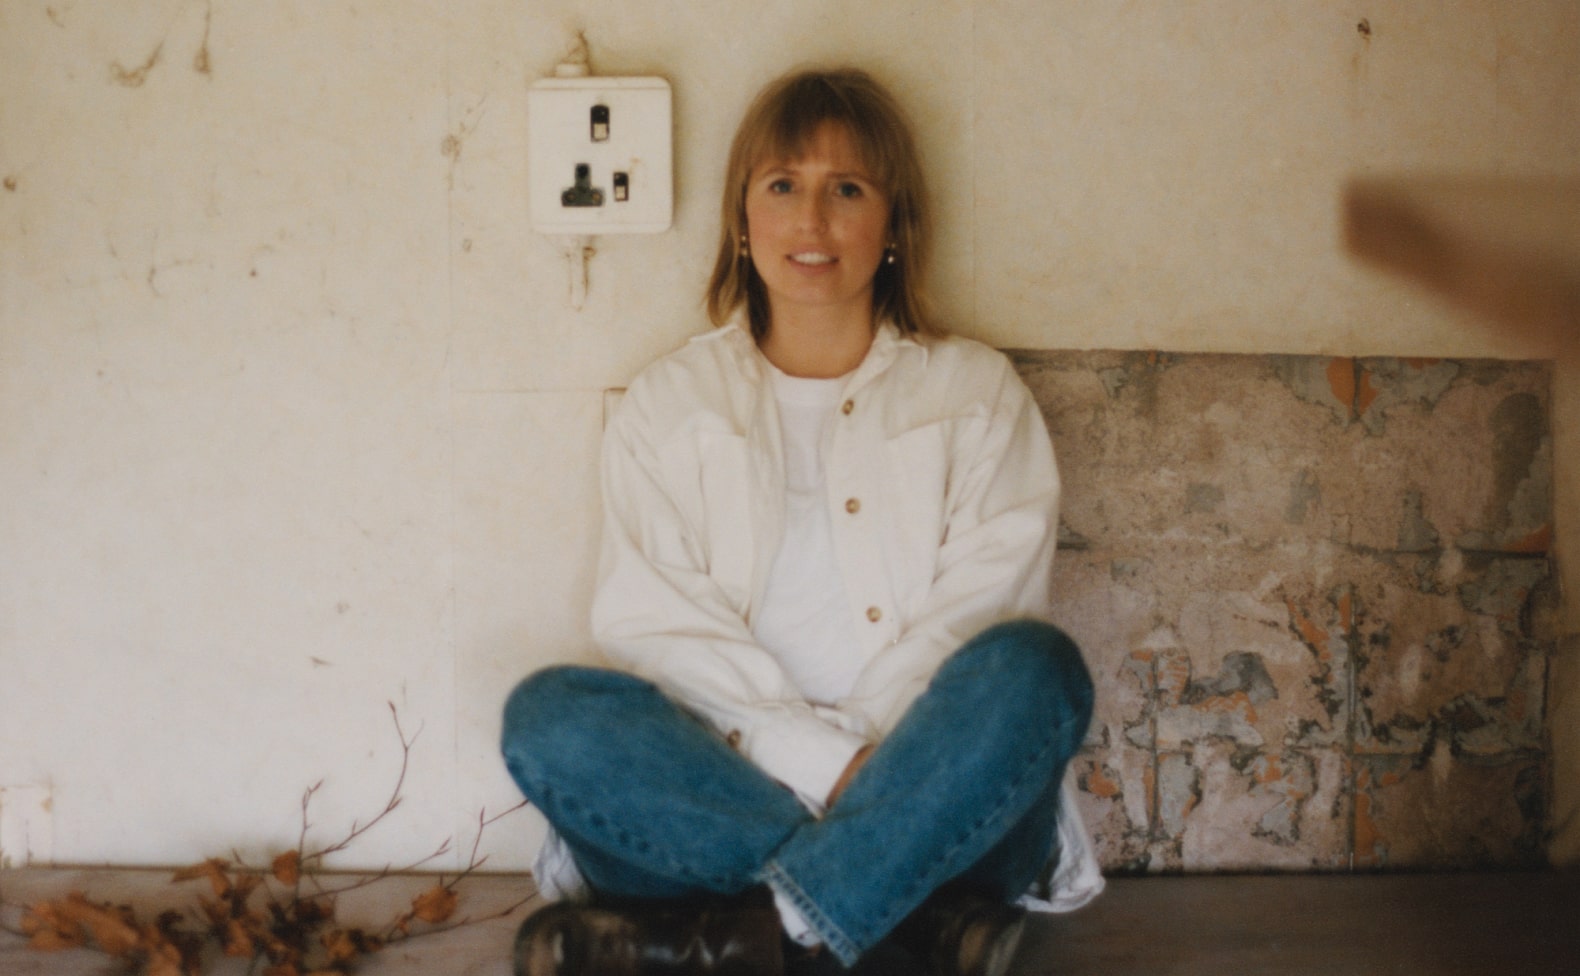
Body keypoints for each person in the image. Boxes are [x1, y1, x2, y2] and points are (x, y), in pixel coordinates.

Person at [501, 66, 1101, 976]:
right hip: (717, 800)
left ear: (893, 223)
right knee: (552, 717)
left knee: (1035, 671)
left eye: (847, 189)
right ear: (743, 220)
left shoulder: (975, 395)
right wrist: (820, 769)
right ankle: (899, 921)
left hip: (938, 806)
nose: (812, 221)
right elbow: (655, 630)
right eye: (783, 185)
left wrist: (881, 783)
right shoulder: (670, 403)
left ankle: (746, 935)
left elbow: (981, 612)